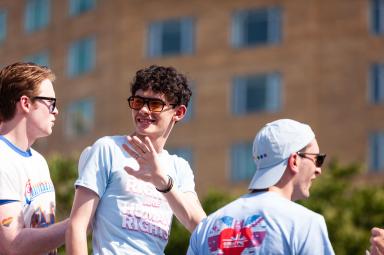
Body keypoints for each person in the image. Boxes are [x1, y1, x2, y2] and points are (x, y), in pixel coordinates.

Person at [66, 65, 206, 254]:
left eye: (155, 104)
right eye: (138, 102)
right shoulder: (108, 149)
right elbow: (77, 225)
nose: (144, 110)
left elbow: (201, 227)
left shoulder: (179, 167)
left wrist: (163, 182)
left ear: (178, 113)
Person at [187, 118, 335, 255]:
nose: (318, 169)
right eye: (317, 159)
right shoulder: (305, 224)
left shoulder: (206, 228)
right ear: (294, 160)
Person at [0, 62, 67, 255]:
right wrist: (79, 222)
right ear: (26, 103)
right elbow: (13, 245)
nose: (56, 111)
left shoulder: (38, 161)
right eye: (51, 103)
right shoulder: (3, 159)